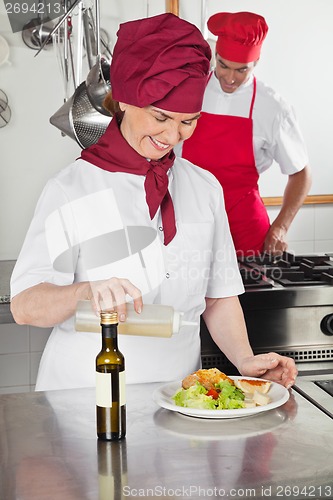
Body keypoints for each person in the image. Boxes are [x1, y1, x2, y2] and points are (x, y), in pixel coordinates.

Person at [10, 13, 297, 391]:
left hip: (180, 400)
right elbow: (25, 305)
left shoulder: (204, 188)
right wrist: (83, 291)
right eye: (160, 116)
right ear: (125, 101)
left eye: (188, 121)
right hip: (81, 399)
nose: (172, 135)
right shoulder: (72, 188)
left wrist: (244, 359)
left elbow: (218, 296)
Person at [177, 11, 312, 257]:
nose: (229, 78)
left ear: (256, 63)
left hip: (244, 229)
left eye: (241, 70)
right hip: (189, 223)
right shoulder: (190, 90)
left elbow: (301, 174)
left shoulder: (273, 108)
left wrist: (280, 227)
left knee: (248, 295)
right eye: (223, 65)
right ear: (215, 56)